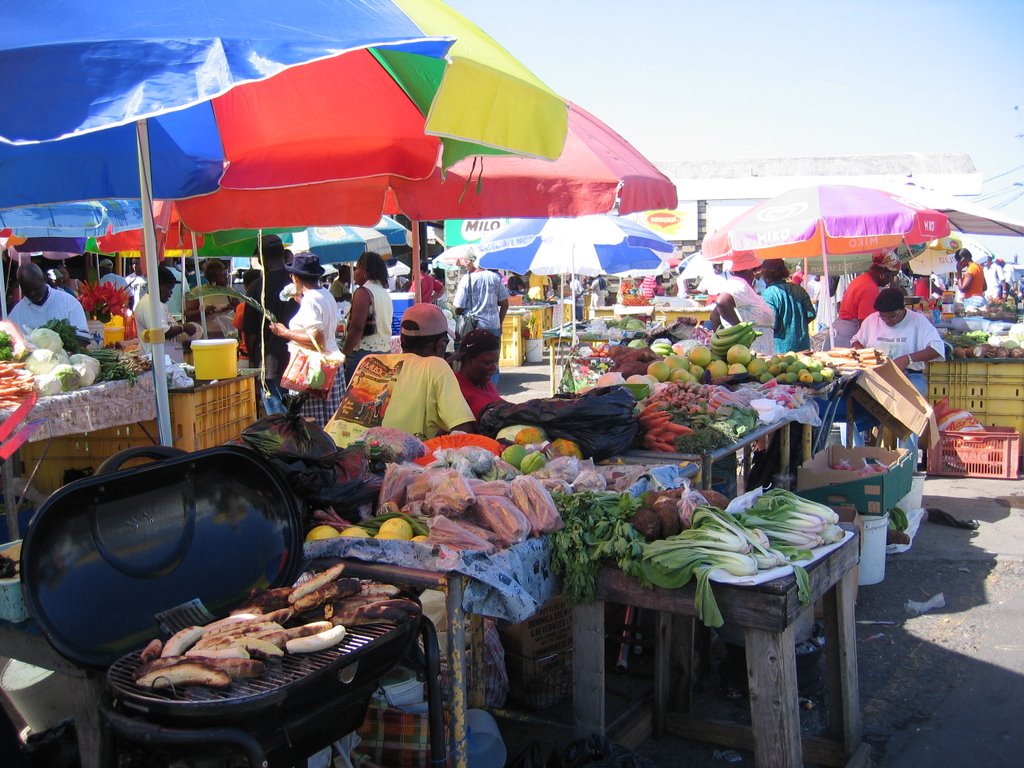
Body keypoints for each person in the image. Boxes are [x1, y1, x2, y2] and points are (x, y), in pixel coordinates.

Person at [325, 302, 475, 446]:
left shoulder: (369, 360)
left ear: (402, 341)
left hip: (333, 454)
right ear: (440, 344)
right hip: (384, 465)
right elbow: (464, 432)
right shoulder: (436, 366)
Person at [852, 288, 944, 453]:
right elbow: (856, 341)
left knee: (910, 418)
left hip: (909, 377)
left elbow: (937, 349)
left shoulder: (918, 321)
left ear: (903, 309)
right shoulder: (872, 320)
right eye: (883, 316)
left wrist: (908, 359)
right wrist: (866, 354)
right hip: (876, 378)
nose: (887, 320)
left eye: (892, 316)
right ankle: (858, 455)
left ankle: (908, 461)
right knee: (852, 410)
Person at [269, 253, 345, 427]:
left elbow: (317, 340)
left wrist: (285, 332)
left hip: (314, 369)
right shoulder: (325, 294)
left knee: (313, 427)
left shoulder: (310, 300)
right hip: (329, 365)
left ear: (295, 277)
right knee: (329, 424)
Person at [244, 234, 300, 415]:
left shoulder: (256, 286)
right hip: (300, 361)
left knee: (278, 422)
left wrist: (253, 361)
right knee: (297, 419)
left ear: (262, 259)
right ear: (283, 254)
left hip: (270, 363)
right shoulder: (297, 281)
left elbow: (250, 331)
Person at [341, 251, 394, 383]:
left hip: (365, 355)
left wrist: (345, 353)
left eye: (357, 268)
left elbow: (357, 327)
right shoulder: (383, 292)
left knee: (353, 400)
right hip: (385, 352)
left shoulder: (363, 292)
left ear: (365, 272)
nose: (355, 272)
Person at [708, 250, 775, 355]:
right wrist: (742, 331)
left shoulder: (738, 285)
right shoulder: (739, 284)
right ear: (749, 270)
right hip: (751, 354)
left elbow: (715, 316)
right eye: (755, 272)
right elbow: (722, 302)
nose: (755, 276)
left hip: (751, 354)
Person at [832, 251, 900, 347]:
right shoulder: (870, 288)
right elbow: (866, 324)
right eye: (892, 275)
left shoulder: (861, 279)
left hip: (839, 330)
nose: (891, 279)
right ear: (883, 273)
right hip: (848, 334)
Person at [133, 266, 201, 362]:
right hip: (161, 366)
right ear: (158, 286)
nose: (171, 293)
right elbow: (161, 332)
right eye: (169, 288)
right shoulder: (149, 304)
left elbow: (167, 329)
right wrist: (183, 328)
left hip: (170, 365)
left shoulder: (157, 304)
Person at [453, 250, 509, 360]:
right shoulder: (495, 277)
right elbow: (505, 304)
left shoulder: (466, 279)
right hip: (493, 326)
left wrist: (458, 314)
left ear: (474, 262)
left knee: (474, 360)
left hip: (474, 328)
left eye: (466, 261)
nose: (465, 264)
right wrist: (499, 322)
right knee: (492, 362)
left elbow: (458, 307)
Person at [8, 263, 90, 336]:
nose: (32, 293)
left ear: (44, 279)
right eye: (27, 291)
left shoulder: (69, 302)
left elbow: (83, 338)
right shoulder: (16, 314)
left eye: (36, 289)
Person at [759, 259, 817, 353]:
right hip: (803, 346)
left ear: (766, 276)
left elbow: (771, 321)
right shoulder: (799, 290)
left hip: (780, 349)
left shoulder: (768, 294)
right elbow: (811, 315)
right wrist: (798, 325)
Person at [452, 328, 507, 419]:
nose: (494, 367)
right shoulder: (455, 389)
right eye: (488, 363)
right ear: (469, 360)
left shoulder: (488, 385)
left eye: (495, 362)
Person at [184, 259, 238, 338]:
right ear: (213, 279)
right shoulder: (199, 291)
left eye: (226, 275)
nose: (226, 278)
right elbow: (187, 315)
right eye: (222, 276)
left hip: (227, 335)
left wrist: (231, 309)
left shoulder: (229, 291)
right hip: (206, 335)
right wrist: (204, 311)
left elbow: (239, 310)